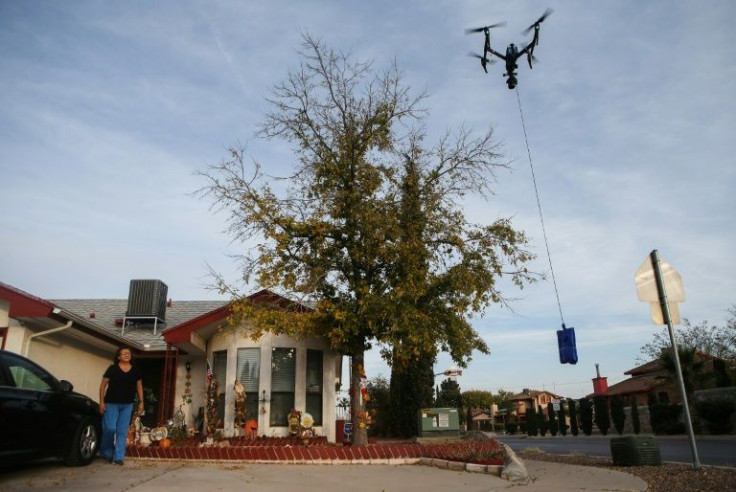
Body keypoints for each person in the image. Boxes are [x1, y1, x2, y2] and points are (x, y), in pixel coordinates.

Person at [99, 347, 143, 465]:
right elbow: (103, 386)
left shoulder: (135, 371)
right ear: (118, 357)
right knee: (110, 428)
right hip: (111, 403)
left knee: (122, 431)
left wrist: (141, 402)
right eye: (123, 353)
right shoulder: (112, 369)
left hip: (127, 404)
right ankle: (106, 451)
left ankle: (119, 457)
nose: (126, 355)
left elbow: (139, 386)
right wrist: (102, 402)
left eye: (128, 353)